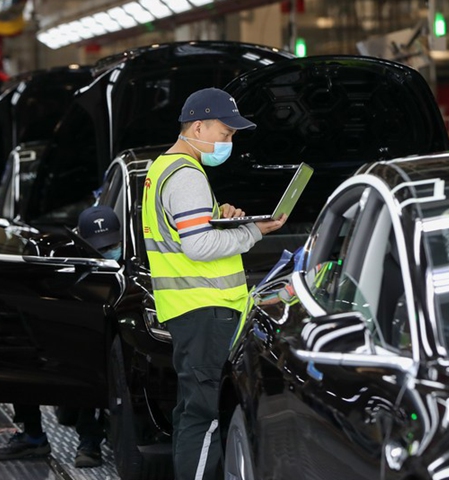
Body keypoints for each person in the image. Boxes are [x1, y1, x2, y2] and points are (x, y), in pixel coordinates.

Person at [141, 87, 285, 480]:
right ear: (198, 126)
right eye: (224, 133)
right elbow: (200, 246)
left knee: (191, 413)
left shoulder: (162, 168)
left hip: (189, 312)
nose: (229, 142)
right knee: (204, 418)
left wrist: (219, 217)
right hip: (207, 312)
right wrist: (252, 231)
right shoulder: (187, 175)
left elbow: (185, 231)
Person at [0, 205, 121, 469]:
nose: (106, 252)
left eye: (110, 245)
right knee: (22, 352)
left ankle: (90, 440)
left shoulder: (132, 261)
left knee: (92, 356)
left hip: (102, 343)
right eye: (99, 247)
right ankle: (33, 435)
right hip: (69, 333)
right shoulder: (64, 262)